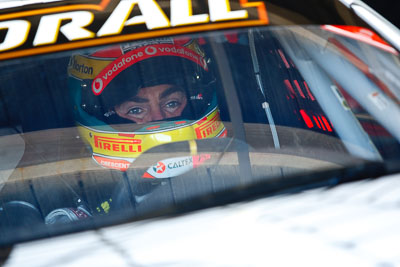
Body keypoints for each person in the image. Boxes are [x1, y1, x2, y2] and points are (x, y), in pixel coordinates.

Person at [68, 37, 227, 173]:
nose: (158, 118)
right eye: (136, 110)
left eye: (172, 103)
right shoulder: (76, 184)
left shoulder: (239, 161)